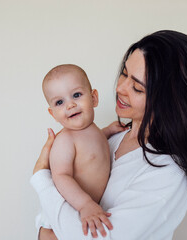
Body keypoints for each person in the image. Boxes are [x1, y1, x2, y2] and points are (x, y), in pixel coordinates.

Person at [31, 30, 187, 240]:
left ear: (169, 102)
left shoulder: (167, 170)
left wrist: (41, 179)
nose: (119, 88)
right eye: (124, 74)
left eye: (137, 87)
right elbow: (53, 215)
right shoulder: (112, 137)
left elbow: (94, 237)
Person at [38, 64, 114, 236]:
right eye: (59, 102)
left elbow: (91, 149)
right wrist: (85, 204)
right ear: (53, 114)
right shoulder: (65, 140)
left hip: (85, 212)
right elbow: (61, 176)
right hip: (64, 215)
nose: (70, 105)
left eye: (76, 95)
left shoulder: (93, 131)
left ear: (94, 98)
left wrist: (108, 131)